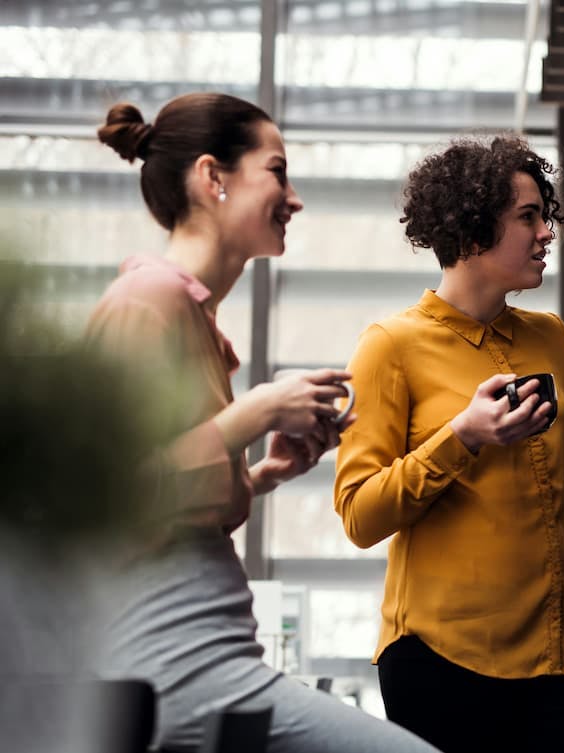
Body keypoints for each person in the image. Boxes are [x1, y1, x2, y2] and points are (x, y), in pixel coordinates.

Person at [90, 92, 438, 753]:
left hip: (212, 661)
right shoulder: (146, 300)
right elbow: (106, 497)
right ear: (211, 177)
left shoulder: (191, 316)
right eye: (277, 170)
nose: (295, 197)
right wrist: (254, 412)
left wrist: (262, 473)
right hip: (182, 667)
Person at [332, 135, 564, 753]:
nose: (547, 232)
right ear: (470, 230)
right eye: (529, 216)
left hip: (558, 661)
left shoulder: (548, 336)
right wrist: (462, 437)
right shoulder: (390, 346)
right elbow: (360, 515)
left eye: (545, 215)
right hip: (440, 663)